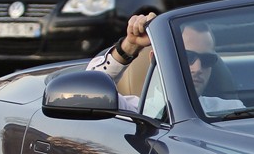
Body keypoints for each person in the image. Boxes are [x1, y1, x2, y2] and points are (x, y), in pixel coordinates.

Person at [86, 13, 243, 112]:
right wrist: (130, 45)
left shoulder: (231, 110)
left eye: (208, 60)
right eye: (187, 57)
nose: (197, 68)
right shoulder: (134, 112)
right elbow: (89, 90)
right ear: (156, 59)